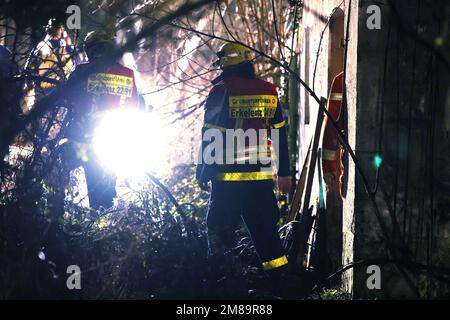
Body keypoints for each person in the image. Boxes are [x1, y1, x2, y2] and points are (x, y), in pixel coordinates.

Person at [196, 42, 292, 279]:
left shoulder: (221, 91)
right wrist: (284, 173)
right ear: (248, 62)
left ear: (226, 65)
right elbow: (279, 133)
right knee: (267, 235)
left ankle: (224, 285)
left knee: (220, 233)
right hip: (260, 179)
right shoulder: (269, 91)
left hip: (227, 179)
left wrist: (203, 172)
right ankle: (281, 284)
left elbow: (211, 134)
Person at [63, 31, 139, 209]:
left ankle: (62, 210)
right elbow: (133, 105)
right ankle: (103, 216)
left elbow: (68, 98)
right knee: (106, 178)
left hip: (85, 133)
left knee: (77, 173)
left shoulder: (82, 70)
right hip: (112, 133)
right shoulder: (126, 72)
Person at [321, 71, 345, 272]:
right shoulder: (342, 80)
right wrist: (330, 170)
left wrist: (329, 170)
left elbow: (331, 128)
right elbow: (332, 128)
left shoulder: (342, 80)